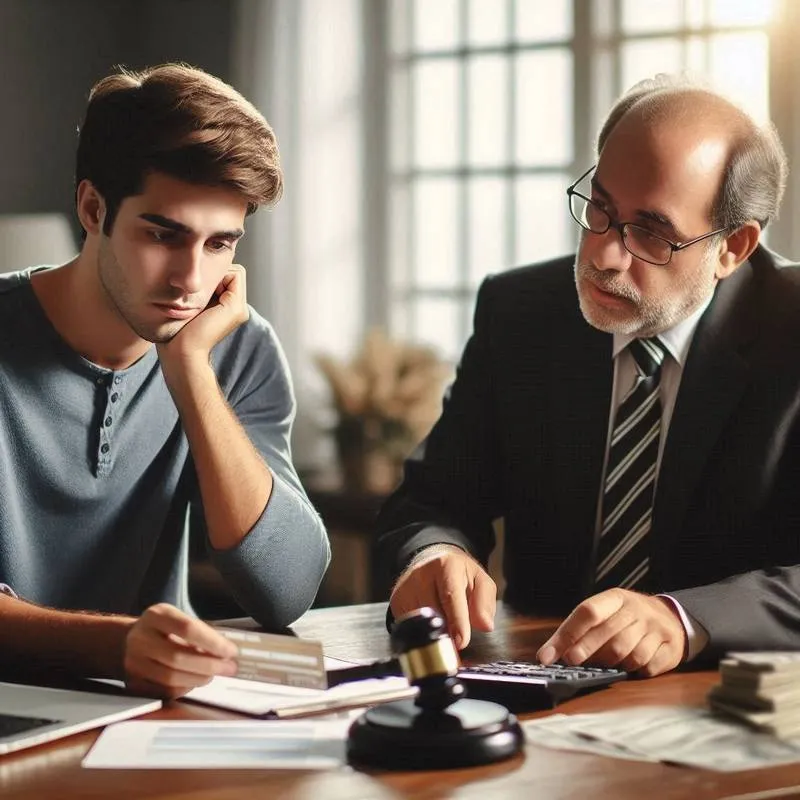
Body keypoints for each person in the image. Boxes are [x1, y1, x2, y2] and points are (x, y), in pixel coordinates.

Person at [376, 75, 800, 678]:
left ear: (734, 247)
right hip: (537, 683)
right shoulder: (520, 312)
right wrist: (434, 554)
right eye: (599, 208)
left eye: (650, 232)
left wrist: (683, 619)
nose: (603, 255)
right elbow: (432, 497)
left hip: (729, 706)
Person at [0, 64, 330, 698]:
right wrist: (116, 646)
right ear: (93, 208)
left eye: (219, 245)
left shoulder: (235, 348)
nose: (189, 279)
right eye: (163, 234)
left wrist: (191, 373)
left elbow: (286, 589)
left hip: (150, 722)